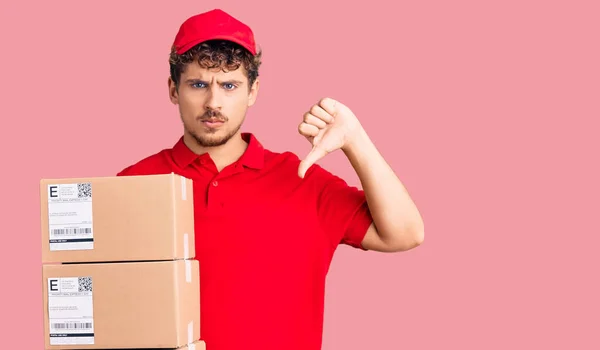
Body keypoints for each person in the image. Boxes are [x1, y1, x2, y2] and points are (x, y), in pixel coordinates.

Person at [116, 8, 424, 350]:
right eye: (198, 84)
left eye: (229, 85)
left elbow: (405, 233)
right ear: (174, 90)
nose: (213, 102)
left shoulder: (304, 180)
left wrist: (356, 140)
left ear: (253, 91)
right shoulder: (134, 184)